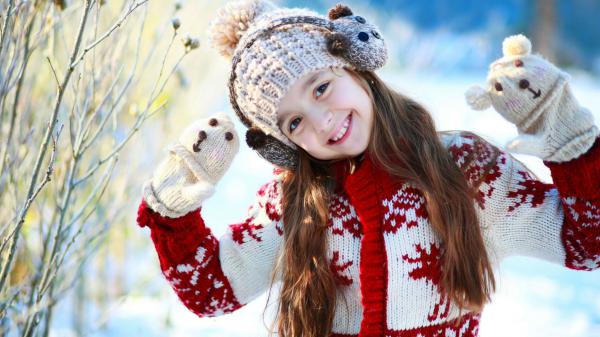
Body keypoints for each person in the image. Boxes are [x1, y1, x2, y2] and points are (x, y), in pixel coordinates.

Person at [135, 1, 600, 336]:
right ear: (282, 142)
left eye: (320, 88)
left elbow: (586, 243)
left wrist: (567, 138)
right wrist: (172, 213)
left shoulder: (464, 171)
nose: (321, 121)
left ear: (356, 67)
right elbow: (211, 291)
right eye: (294, 121)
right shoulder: (292, 204)